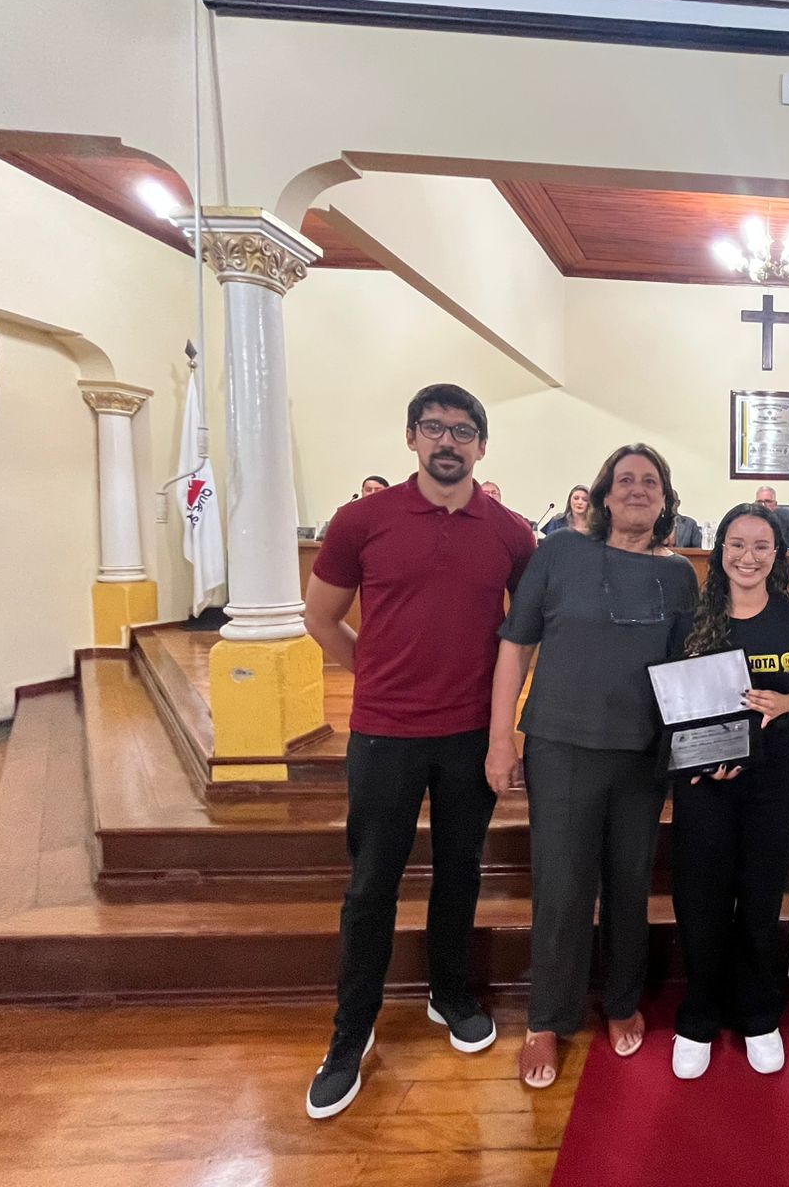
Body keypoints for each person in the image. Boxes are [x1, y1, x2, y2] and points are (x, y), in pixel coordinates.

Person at [303, 384, 535, 1120]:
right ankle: (352, 1032)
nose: (448, 441)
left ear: (482, 446)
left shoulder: (512, 534)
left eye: (463, 431)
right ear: (411, 437)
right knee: (372, 884)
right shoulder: (362, 520)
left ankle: (450, 994)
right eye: (433, 427)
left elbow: (523, 636)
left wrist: (502, 729)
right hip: (384, 735)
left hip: (468, 735)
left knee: (460, 872)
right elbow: (321, 617)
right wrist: (374, 675)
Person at [487, 444, 699, 1089]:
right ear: (604, 494)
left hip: (641, 752)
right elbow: (516, 645)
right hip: (562, 744)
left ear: (665, 500)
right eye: (625, 480)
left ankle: (623, 999)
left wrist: (702, 748)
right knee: (562, 884)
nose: (637, 490)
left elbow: (688, 671)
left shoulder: (679, 576)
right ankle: (547, 1018)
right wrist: (500, 739)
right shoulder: (558, 553)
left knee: (630, 882)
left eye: (650, 482)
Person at [670, 503, 789, 1080]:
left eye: (762, 546)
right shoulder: (691, 621)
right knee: (702, 899)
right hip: (703, 780)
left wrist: (786, 703)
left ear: (777, 555)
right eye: (737, 544)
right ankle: (698, 1017)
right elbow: (672, 700)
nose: (748, 556)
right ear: (720, 552)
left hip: (773, 777)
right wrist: (699, 759)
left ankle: (760, 1015)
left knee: (760, 898)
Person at [754, 485, 789, 550]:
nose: (763, 505)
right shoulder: (749, 523)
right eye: (759, 502)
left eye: (768, 501)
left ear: (775, 505)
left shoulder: (785, 523)